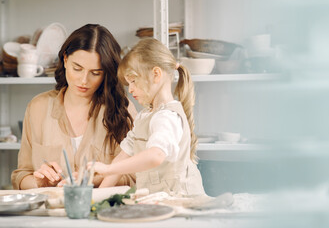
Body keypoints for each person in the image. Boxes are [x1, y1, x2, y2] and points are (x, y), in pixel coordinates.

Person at [11, 24, 137, 190]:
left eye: (96, 73)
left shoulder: (122, 110)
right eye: (77, 68)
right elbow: (21, 176)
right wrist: (40, 182)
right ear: (65, 59)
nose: (84, 80)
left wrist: (94, 179)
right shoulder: (38, 107)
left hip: (104, 212)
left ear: (107, 72)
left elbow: (136, 176)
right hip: (52, 212)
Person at [89, 38, 206, 197]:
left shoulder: (167, 117)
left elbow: (155, 156)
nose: (130, 89)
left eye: (134, 81)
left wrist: (107, 169)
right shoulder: (145, 116)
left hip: (181, 204)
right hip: (158, 203)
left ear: (156, 75)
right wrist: (95, 198)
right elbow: (122, 159)